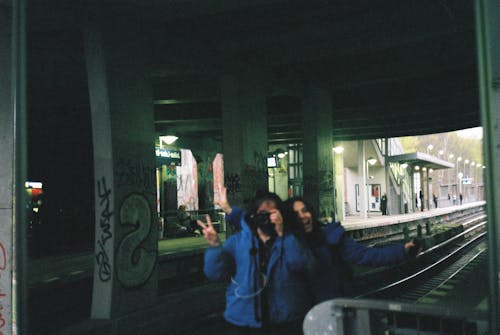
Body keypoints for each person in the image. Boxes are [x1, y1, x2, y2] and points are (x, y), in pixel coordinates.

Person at [197, 188, 312, 334]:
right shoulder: (238, 242)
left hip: (284, 320)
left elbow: (300, 264)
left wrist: (282, 233)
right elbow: (215, 274)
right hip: (244, 320)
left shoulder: (289, 239)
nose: (267, 219)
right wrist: (215, 247)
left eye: (272, 214)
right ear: (254, 216)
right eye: (263, 214)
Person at [283, 197, 420, 305]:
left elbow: (365, 255)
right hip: (304, 315)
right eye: (296, 214)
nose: (303, 216)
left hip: (334, 309)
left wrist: (402, 250)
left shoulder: (330, 236)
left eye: (304, 210)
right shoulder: (286, 246)